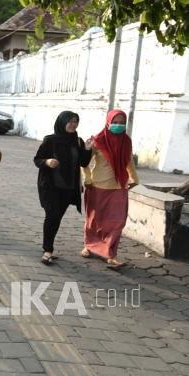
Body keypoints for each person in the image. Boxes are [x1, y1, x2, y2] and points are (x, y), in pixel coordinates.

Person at [81, 109, 138, 270]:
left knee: (117, 222)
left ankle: (111, 254)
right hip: (97, 185)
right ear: (108, 121)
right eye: (115, 122)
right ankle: (90, 245)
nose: (118, 125)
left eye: (121, 122)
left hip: (119, 186)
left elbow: (129, 161)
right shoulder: (97, 140)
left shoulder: (126, 141)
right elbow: (84, 163)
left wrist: (134, 178)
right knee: (94, 220)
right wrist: (87, 179)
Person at [33, 111, 93, 265]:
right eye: (70, 121)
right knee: (52, 215)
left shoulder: (77, 141)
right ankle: (48, 250)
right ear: (62, 122)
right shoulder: (50, 140)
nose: (73, 124)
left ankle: (49, 246)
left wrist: (87, 149)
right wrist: (47, 162)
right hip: (50, 186)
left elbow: (84, 163)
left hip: (68, 187)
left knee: (57, 217)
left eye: (75, 121)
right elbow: (37, 159)